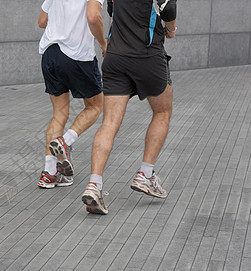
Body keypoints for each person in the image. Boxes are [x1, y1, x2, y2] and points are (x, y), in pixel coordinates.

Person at [82, 0, 177, 214]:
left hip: (115, 55)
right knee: (162, 112)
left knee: (109, 123)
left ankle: (94, 185)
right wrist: (171, 29)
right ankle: (145, 173)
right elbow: (169, 8)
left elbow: (111, 10)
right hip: (147, 55)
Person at [37, 0, 107, 189]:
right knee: (95, 106)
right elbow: (93, 17)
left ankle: (49, 173)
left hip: (50, 53)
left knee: (59, 114)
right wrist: (103, 43)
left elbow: (42, 21)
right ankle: (65, 142)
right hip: (77, 55)